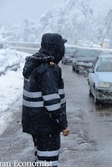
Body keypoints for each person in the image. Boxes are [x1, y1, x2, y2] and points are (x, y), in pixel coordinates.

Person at [22, 33, 70, 167]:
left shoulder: (35, 64)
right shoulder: (48, 69)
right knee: (49, 162)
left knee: (41, 159)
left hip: (35, 123)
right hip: (46, 124)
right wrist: (63, 124)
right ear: (56, 48)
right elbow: (52, 101)